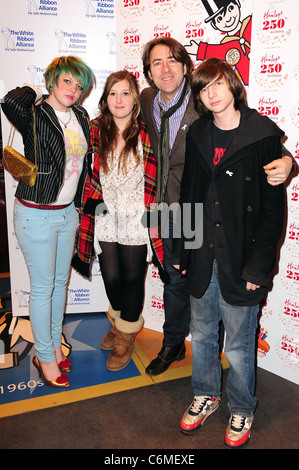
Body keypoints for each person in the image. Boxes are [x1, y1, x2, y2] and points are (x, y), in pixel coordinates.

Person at [140, 36, 294, 376]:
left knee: (205, 284)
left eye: (171, 61)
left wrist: (287, 161)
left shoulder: (202, 103)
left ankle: (197, 354)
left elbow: (252, 132)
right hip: (163, 207)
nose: (165, 69)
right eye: (156, 63)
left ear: (184, 66)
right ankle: (173, 343)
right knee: (174, 280)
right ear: (149, 74)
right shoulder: (145, 100)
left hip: (200, 206)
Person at [172, 57, 286, 448]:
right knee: (202, 334)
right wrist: (181, 250)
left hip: (242, 260)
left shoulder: (263, 135)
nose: (212, 93)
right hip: (202, 256)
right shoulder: (198, 133)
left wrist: (259, 267)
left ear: (233, 84)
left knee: (238, 344)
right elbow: (187, 194)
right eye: (204, 88)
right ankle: (205, 394)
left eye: (218, 83)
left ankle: (242, 407)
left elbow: (273, 213)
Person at [1, 56, 94, 387]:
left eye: (79, 85)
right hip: (35, 213)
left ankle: (52, 346)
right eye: (67, 81)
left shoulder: (81, 116)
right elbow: (10, 100)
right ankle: (43, 356)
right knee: (43, 288)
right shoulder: (35, 114)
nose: (74, 90)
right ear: (52, 80)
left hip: (67, 213)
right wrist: (32, 91)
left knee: (59, 284)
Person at [71, 70, 165, 372]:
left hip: (137, 216)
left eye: (125, 93)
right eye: (113, 93)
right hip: (106, 215)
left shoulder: (148, 131)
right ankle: (123, 319)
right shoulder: (94, 129)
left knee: (132, 278)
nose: (119, 99)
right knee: (111, 278)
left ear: (135, 98)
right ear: (105, 98)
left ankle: (125, 334)